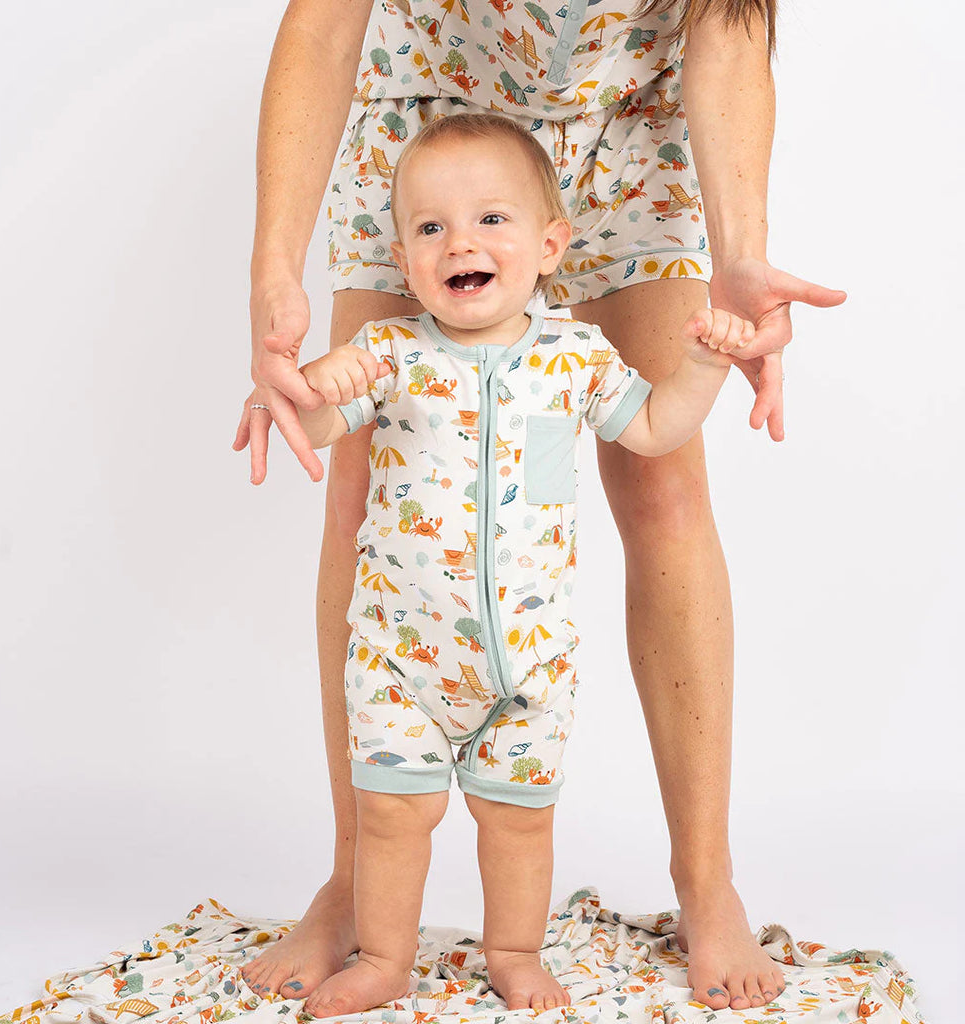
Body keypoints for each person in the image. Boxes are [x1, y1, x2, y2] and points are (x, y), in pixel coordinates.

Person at [234, 0, 846, 1011]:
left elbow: (727, 26)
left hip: (627, 121)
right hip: (429, 127)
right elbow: (325, 23)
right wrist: (272, 270)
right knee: (359, 480)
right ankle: (355, 883)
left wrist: (739, 255)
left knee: (666, 488)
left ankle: (706, 881)